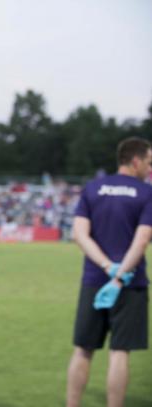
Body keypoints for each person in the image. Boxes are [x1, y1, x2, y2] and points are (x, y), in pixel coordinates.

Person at [66, 137, 152, 407]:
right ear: (135, 161)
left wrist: (106, 267)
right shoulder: (147, 193)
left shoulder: (93, 188)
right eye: (149, 163)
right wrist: (119, 275)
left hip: (94, 281)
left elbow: (79, 234)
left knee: (83, 351)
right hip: (129, 284)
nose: (150, 169)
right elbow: (141, 241)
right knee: (119, 353)